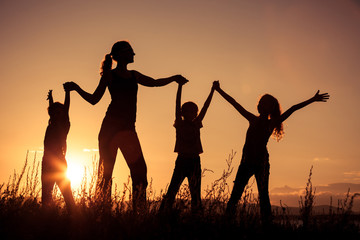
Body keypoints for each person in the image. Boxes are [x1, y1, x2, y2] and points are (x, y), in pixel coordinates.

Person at [64, 40, 188, 210]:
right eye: (130, 51)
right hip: (110, 130)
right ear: (121, 54)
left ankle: (138, 213)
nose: (134, 54)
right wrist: (76, 88)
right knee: (105, 175)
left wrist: (174, 78)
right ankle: (101, 213)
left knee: (140, 172)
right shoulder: (109, 75)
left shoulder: (134, 75)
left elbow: (154, 82)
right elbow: (94, 99)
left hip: (128, 130)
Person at [213, 81, 329, 223]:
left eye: (267, 103)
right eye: (262, 102)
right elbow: (234, 103)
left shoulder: (271, 123)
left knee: (263, 197)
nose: (263, 105)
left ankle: (267, 226)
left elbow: (293, 108)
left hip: (261, 164)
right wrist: (219, 90)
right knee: (235, 195)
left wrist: (312, 99)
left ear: (271, 108)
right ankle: (226, 222)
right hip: (246, 163)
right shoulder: (252, 119)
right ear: (259, 105)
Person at [159, 81, 216, 213]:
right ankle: (161, 214)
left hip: (195, 161)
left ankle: (197, 217)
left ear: (196, 113)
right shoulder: (179, 123)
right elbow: (176, 104)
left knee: (195, 193)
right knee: (172, 190)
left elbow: (206, 107)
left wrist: (213, 90)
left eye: (193, 111)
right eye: (187, 111)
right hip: (182, 160)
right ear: (183, 112)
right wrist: (179, 87)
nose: (190, 113)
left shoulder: (197, 123)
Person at [42, 89, 75, 211]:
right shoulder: (52, 123)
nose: (56, 113)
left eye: (58, 111)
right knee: (46, 195)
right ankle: (47, 219)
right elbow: (52, 110)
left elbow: (66, 109)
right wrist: (51, 98)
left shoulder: (64, 124)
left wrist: (67, 92)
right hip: (46, 162)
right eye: (54, 112)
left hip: (59, 162)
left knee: (67, 194)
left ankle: (74, 217)